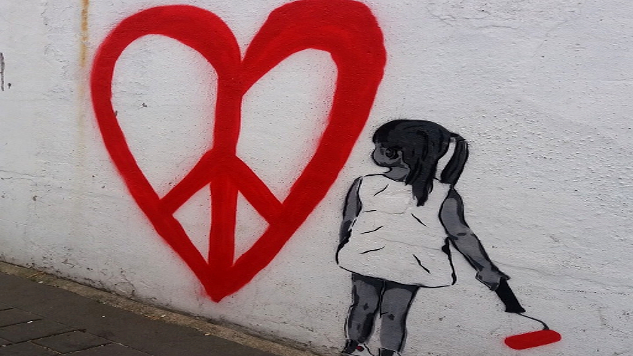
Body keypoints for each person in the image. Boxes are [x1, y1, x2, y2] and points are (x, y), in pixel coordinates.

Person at [336, 120, 517, 356]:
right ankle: (359, 348)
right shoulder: (365, 184)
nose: (374, 152)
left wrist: (485, 267)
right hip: (381, 257)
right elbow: (461, 234)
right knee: (391, 312)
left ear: (394, 153)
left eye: (378, 146)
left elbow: (348, 221)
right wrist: (485, 267)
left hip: (394, 260)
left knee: (367, 305)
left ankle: (371, 349)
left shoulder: (441, 194)